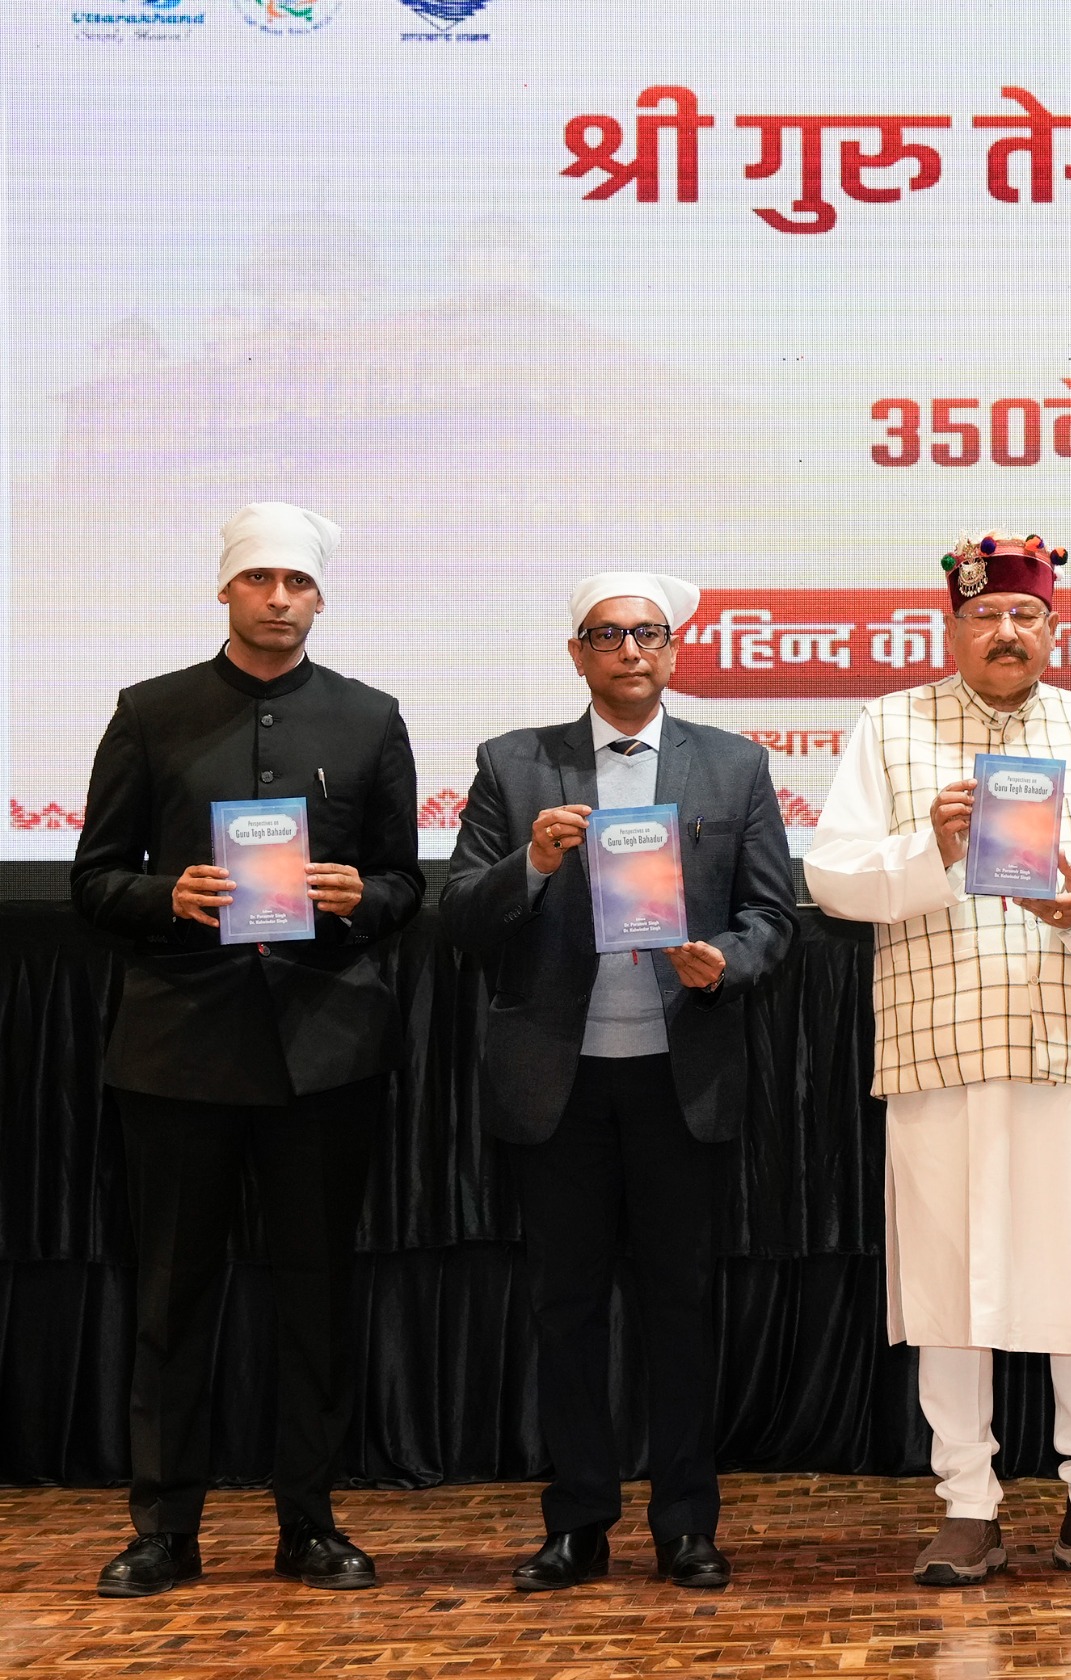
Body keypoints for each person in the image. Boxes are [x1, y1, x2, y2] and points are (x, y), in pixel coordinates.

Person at [805, 531, 1071, 1587]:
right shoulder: (890, 726)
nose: (1006, 633)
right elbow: (833, 875)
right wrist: (927, 850)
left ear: (1053, 628)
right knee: (949, 1280)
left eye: (1024, 616)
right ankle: (967, 1503)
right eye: (985, 617)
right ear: (953, 629)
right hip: (939, 1040)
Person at [73, 502, 422, 1597]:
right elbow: (94, 879)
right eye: (260, 579)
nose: (279, 599)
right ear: (225, 589)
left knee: (316, 1297)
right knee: (172, 1297)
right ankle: (163, 1531)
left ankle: (309, 1523)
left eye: (297, 582)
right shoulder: (151, 711)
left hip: (326, 1049)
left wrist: (362, 897)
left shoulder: (370, 717)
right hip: (180, 1049)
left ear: (320, 596)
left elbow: (406, 883)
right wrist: (165, 896)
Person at [443, 572, 796, 1592]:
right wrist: (531, 864)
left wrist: (726, 962)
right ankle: (578, 1522)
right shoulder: (514, 764)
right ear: (578, 655)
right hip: (557, 1080)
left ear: (674, 649)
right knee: (565, 1310)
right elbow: (459, 914)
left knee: (681, 1306)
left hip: (681, 1076)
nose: (630, 650)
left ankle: (686, 1525)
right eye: (607, 635)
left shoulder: (733, 764)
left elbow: (773, 915)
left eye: (648, 633)